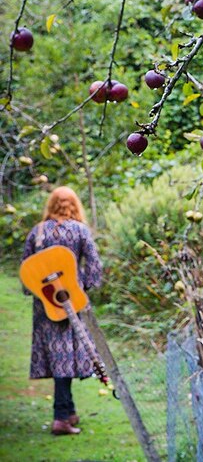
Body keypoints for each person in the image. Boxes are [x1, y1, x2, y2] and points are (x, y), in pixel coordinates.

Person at [21, 186, 103, 435]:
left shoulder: (38, 233)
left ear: (51, 205)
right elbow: (95, 265)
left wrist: (37, 293)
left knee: (59, 358)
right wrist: (82, 289)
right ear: (75, 205)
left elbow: (26, 271)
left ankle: (68, 411)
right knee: (65, 360)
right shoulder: (80, 230)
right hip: (72, 302)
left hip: (45, 305)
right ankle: (61, 418)